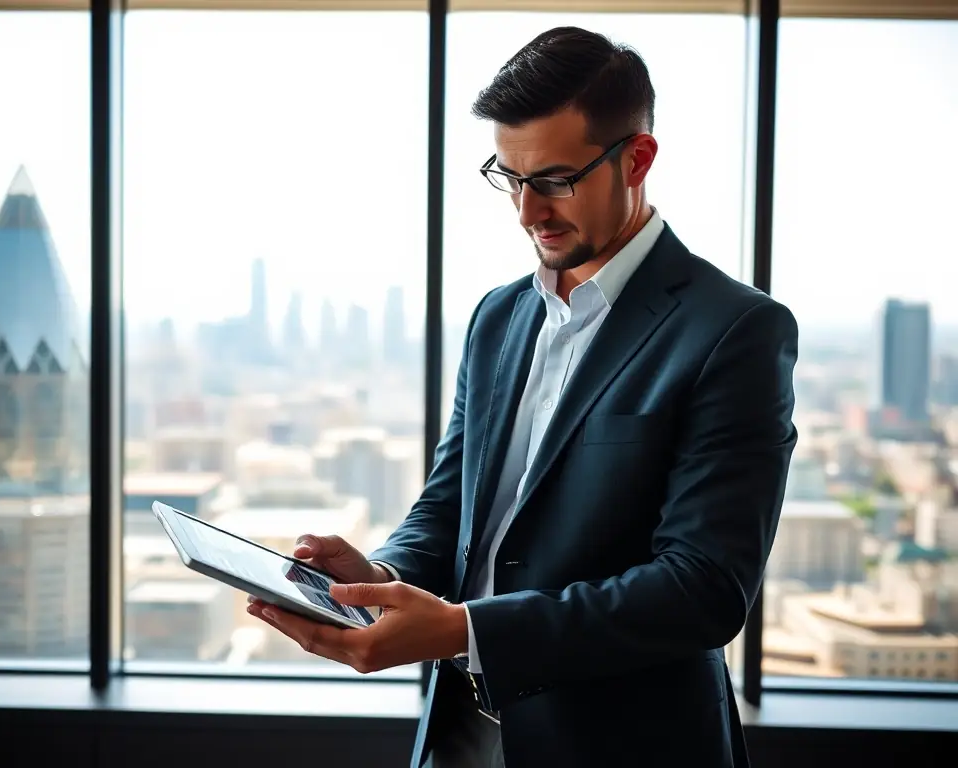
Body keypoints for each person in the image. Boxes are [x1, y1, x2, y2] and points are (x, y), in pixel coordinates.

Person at [247, 25, 798, 768]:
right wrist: (379, 579)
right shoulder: (498, 317)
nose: (527, 212)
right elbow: (452, 511)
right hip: (460, 740)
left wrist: (463, 631)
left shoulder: (735, 331)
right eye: (510, 178)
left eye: (556, 180)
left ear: (637, 159)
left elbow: (701, 590)